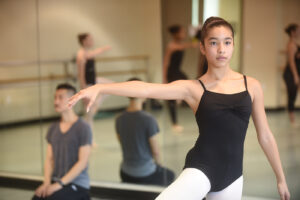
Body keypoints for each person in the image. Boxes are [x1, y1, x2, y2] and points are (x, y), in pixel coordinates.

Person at [68, 17, 290, 200]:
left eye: (227, 42)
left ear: (233, 44)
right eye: (213, 43)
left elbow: (266, 136)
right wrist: (100, 88)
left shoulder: (251, 85)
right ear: (202, 47)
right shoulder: (193, 88)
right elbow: (145, 89)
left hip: (233, 176)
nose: (221, 49)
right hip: (201, 168)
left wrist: (280, 178)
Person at [33, 83, 92, 200]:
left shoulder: (83, 127)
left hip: (77, 184)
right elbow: (49, 159)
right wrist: (46, 183)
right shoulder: (53, 128)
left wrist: (59, 185)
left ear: (72, 99)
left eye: (60, 97)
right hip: (56, 181)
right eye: (55, 97)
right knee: (37, 198)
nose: (56, 101)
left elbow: (82, 163)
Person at [115, 78, 175, 186]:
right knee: (170, 175)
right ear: (143, 94)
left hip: (125, 172)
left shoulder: (119, 119)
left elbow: (121, 142)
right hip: (144, 173)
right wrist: (159, 165)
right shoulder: (148, 119)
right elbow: (155, 151)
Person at [76, 33, 112, 140]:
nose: (92, 41)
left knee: (110, 86)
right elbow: (81, 75)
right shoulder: (81, 55)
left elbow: (95, 53)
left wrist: (104, 49)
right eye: (90, 39)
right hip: (87, 85)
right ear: (84, 41)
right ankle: (88, 140)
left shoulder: (87, 53)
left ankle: (95, 105)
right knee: (89, 116)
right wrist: (84, 92)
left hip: (94, 82)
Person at [163, 25, 197, 132]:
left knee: (190, 85)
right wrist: (164, 77)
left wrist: (195, 36)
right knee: (171, 99)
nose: (184, 34)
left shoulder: (180, 44)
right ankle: (174, 123)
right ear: (176, 34)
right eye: (182, 32)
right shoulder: (172, 46)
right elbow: (166, 62)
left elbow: (191, 45)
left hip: (178, 72)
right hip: (172, 73)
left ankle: (180, 98)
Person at [283, 24, 300, 125]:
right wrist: (295, 76)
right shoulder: (291, 45)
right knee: (292, 95)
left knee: (294, 94)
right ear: (293, 32)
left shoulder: (294, 44)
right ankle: (292, 121)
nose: (299, 32)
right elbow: (291, 62)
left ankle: (292, 119)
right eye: (298, 30)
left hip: (294, 73)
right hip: (290, 74)